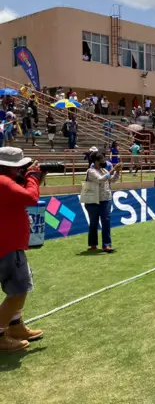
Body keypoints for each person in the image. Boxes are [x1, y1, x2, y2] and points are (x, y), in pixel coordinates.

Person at [0, 147, 44, 351]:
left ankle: (15, 325)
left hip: (10, 244)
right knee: (18, 290)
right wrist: (33, 177)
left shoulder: (6, 182)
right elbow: (30, 198)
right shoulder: (4, 182)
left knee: (22, 286)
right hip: (7, 245)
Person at [85, 152, 122, 252]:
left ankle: (107, 245)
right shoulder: (91, 171)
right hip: (93, 200)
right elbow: (100, 179)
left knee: (106, 221)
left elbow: (112, 180)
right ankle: (93, 244)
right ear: (96, 161)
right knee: (93, 223)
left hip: (105, 199)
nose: (104, 161)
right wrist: (113, 170)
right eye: (102, 159)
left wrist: (117, 172)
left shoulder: (104, 170)